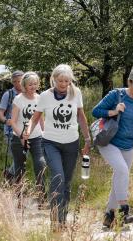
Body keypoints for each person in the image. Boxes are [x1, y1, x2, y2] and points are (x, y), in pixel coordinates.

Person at [25, 64, 91, 230]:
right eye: (60, 80)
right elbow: (35, 118)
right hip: (50, 142)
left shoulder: (76, 93)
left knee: (66, 183)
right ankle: (54, 219)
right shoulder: (45, 96)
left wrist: (88, 139)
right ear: (53, 79)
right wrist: (27, 132)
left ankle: (63, 219)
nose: (63, 84)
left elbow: (81, 118)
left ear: (70, 81)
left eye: (66, 81)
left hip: (71, 143)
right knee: (58, 177)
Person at [92, 67, 133, 228]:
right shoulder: (117, 95)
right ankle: (124, 211)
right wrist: (114, 111)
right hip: (109, 141)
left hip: (129, 145)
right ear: (130, 81)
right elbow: (95, 111)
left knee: (120, 176)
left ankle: (109, 215)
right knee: (122, 171)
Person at [10, 71, 46, 203]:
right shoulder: (18, 99)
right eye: (30, 84)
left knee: (40, 163)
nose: (33, 86)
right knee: (20, 168)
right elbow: (13, 121)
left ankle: (42, 197)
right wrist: (21, 136)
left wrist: (45, 133)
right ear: (24, 85)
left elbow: (41, 118)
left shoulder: (40, 98)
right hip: (19, 138)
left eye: (35, 84)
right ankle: (20, 198)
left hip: (36, 137)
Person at [0, 71, 24, 182]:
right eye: (15, 82)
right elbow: (0, 113)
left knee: (22, 157)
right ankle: (16, 181)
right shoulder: (8, 95)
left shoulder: (30, 94)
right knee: (18, 157)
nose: (17, 84)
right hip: (11, 131)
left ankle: (10, 174)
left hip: (26, 131)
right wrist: (5, 120)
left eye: (20, 81)